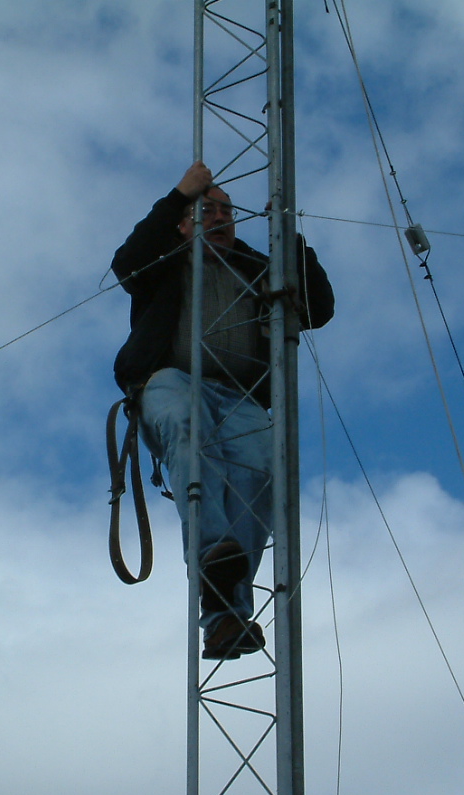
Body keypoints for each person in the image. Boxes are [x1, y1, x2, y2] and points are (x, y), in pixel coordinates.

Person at [111, 161, 334, 660]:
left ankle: (224, 618)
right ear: (184, 223)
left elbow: (316, 308)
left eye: (226, 211)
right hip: (171, 378)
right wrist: (175, 196)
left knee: (261, 477)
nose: (218, 218)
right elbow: (129, 262)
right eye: (204, 210)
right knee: (189, 436)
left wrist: (289, 238)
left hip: (242, 394)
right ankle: (214, 556)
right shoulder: (164, 261)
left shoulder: (256, 267)